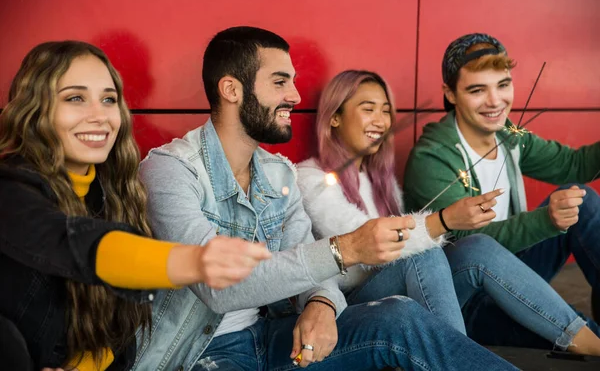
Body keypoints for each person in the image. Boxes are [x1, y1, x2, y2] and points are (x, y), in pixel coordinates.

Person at [132, 26, 517, 371]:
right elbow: (218, 288)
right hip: (201, 352)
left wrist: (321, 303)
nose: (296, 95)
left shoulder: (279, 172)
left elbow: (306, 260)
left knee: (399, 316)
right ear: (232, 89)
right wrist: (346, 249)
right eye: (280, 82)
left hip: (273, 335)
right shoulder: (170, 171)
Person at [0, 41, 271, 370]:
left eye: (108, 99)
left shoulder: (111, 190)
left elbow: (116, 337)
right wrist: (197, 260)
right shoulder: (10, 189)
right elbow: (71, 242)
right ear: (34, 109)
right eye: (75, 98)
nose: (99, 116)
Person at [298, 68, 600, 356]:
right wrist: (445, 220)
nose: (381, 120)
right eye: (368, 109)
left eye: (386, 110)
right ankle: (462, 357)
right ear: (335, 117)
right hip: (351, 305)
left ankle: (584, 339)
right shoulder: (312, 179)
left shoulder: (382, 179)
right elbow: (370, 244)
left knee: (479, 244)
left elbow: (574, 164)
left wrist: (446, 225)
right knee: (438, 254)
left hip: (418, 289)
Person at [404, 32, 600, 352]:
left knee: (582, 199)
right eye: (477, 90)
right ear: (450, 94)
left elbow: (575, 165)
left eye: (503, 85)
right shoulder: (432, 158)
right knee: (575, 332)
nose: (495, 102)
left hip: (514, 269)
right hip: (466, 298)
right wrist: (547, 222)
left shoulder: (508, 135)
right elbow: (475, 250)